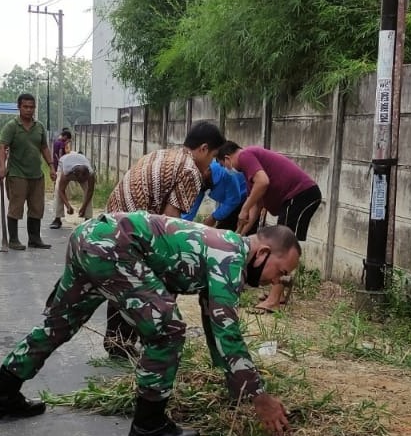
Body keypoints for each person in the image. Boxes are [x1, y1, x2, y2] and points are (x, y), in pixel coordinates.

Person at [0, 212, 299, 436]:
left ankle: (1, 395)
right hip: (112, 247)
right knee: (168, 329)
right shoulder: (230, 258)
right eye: (280, 271)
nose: (276, 281)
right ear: (263, 253)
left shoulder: (225, 248)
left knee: (59, 325)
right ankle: (149, 425)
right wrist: (259, 397)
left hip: (90, 237)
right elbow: (227, 332)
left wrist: (237, 388)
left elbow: (214, 325)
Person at [102, 144, 205, 358]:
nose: (210, 165)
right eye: (213, 157)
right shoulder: (190, 169)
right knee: (160, 278)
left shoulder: (164, 154)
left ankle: (117, 341)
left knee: (124, 279)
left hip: (113, 220)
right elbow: (169, 220)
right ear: (204, 149)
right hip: (132, 227)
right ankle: (151, 341)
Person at [221, 142, 322, 313]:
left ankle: (274, 300)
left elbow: (263, 182)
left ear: (227, 158)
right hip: (295, 198)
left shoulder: (245, 155)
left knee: (282, 244)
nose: (227, 169)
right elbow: (256, 208)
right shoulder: (249, 174)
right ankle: (278, 295)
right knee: (281, 243)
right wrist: (240, 235)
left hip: (301, 194)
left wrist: (244, 208)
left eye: (223, 165)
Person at [0, 93, 54, 250]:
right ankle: (13, 239)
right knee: (16, 207)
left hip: (36, 174)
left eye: (31, 107)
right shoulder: (12, 126)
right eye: (25, 107)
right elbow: (2, 147)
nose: (29, 110)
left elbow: (44, 147)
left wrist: (51, 166)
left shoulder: (39, 127)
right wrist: (2, 167)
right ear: (19, 107)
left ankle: (34, 239)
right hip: (17, 174)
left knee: (37, 208)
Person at [181, 121, 248, 230]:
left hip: (244, 200)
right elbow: (192, 207)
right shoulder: (200, 179)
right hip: (227, 201)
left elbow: (234, 200)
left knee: (230, 231)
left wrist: (214, 217)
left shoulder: (226, 173)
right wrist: (180, 225)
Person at [49, 150, 95, 229]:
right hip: (65, 161)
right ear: (74, 176)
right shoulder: (66, 171)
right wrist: (68, 206)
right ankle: (57, 218)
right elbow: (61, 190)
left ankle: (88, 218)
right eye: (81, 180)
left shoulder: (90, 173)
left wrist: (83, 207)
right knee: (57, 189)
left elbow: (90, 191)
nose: (82, 182)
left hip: (79, 160)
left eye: (85, 179)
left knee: (87, 189)